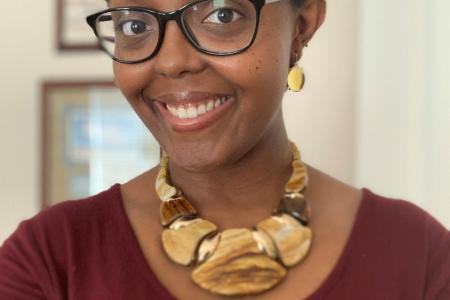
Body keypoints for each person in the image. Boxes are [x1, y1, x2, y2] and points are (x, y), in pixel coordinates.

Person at [0, 0, 449, 299]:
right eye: (134, 25)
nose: (173, 61)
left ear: (301, 26)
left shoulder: (417, 256)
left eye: (222, 15)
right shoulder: (49, 262)